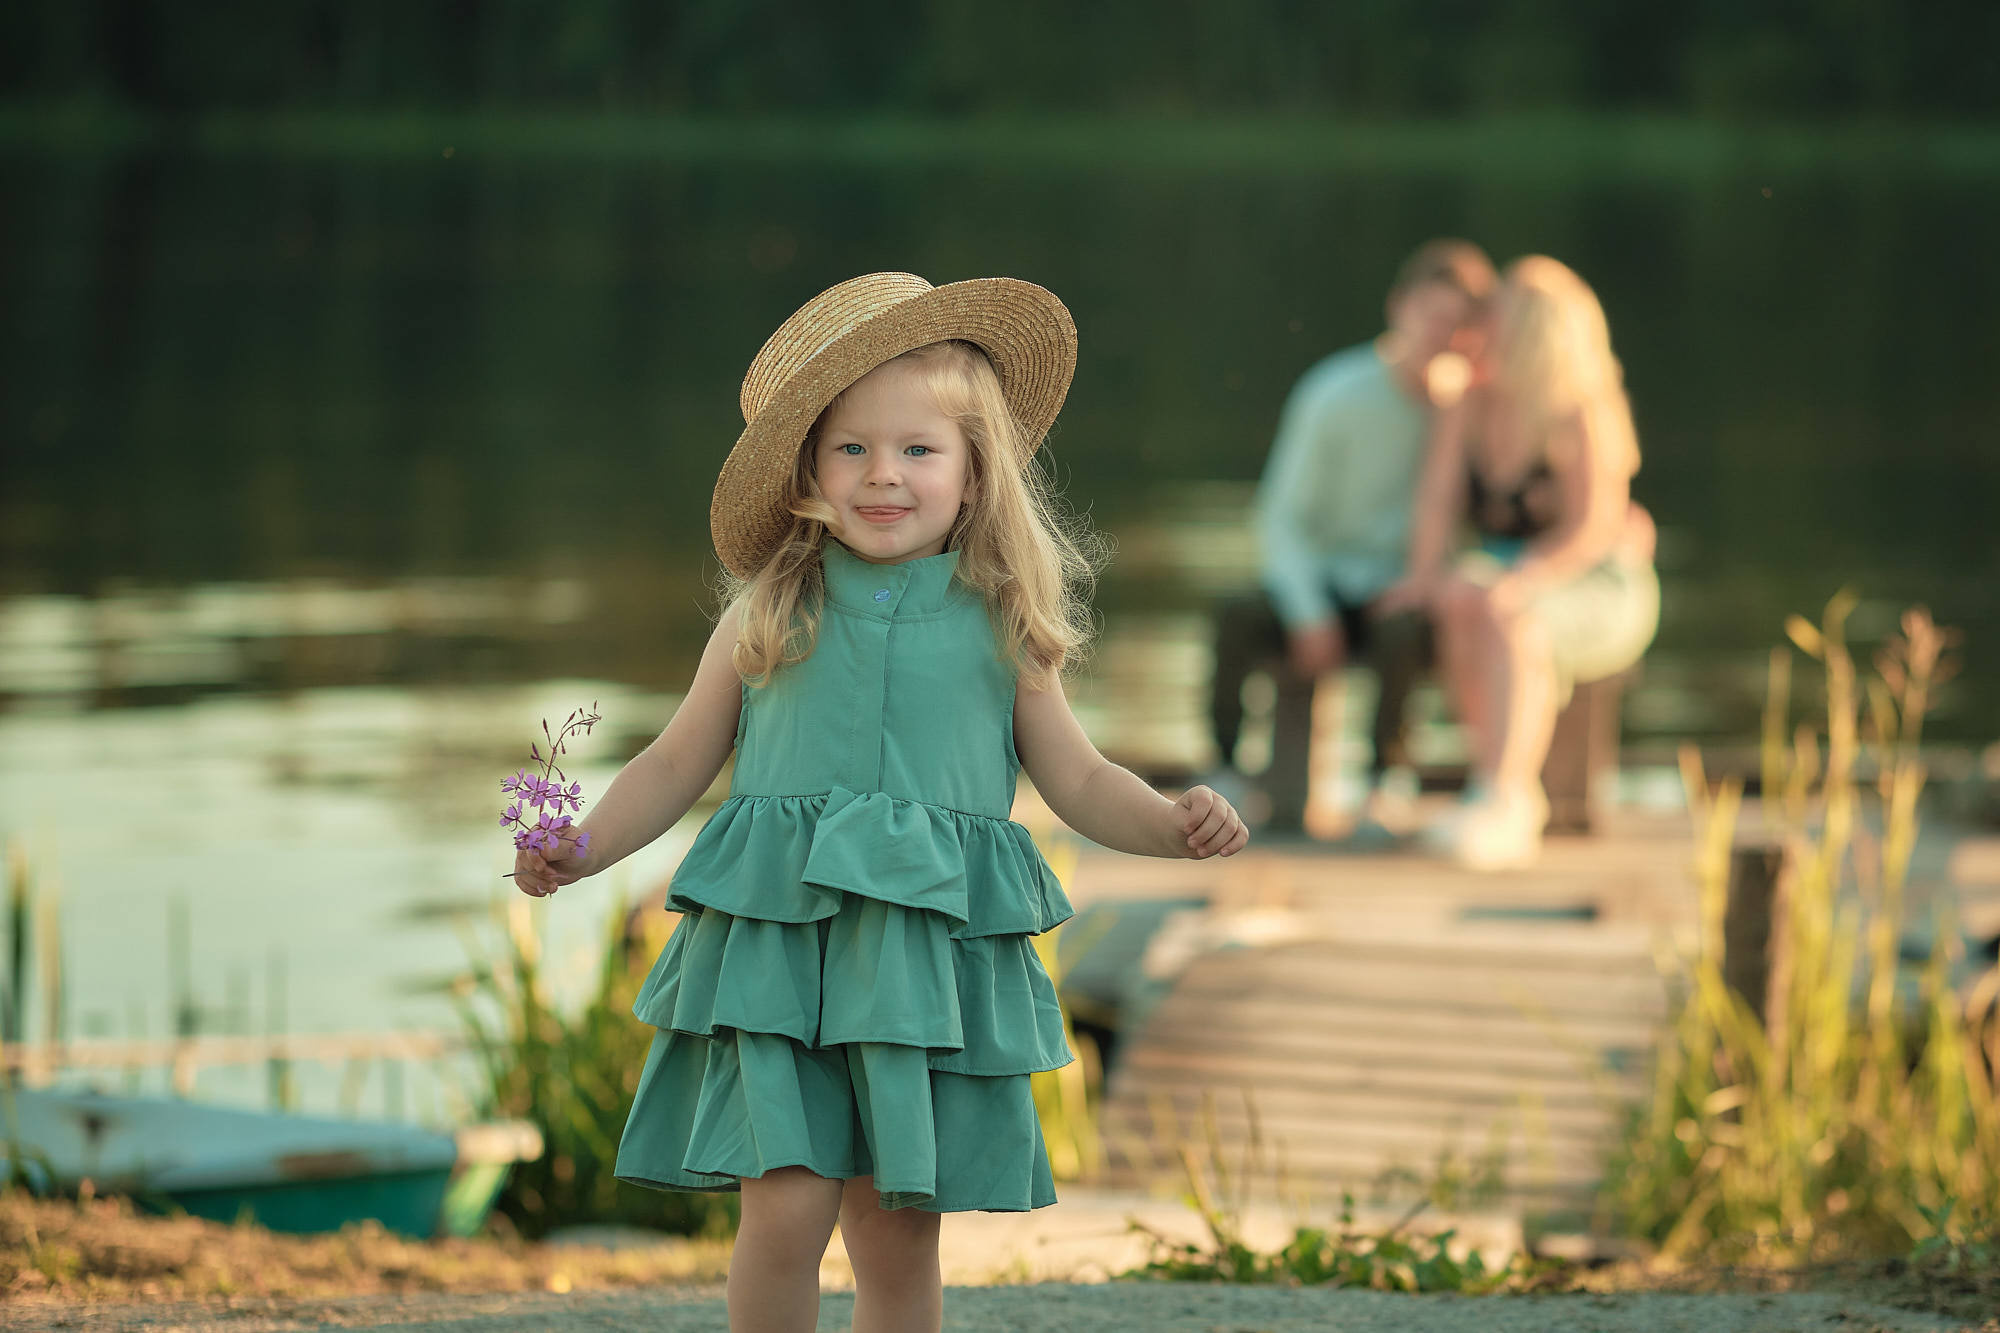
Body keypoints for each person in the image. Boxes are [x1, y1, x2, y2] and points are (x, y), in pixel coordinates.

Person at [509, 272, 1248, 1333]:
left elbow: (1081, 780)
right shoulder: (770, 608)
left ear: (972, 469)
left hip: (919, 970)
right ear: (808, 467)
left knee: (896, 1232)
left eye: (916, 450)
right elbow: (674, 763)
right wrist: (583, 845)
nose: (881, 476)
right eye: (849, 449)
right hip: (782, 961)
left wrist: (1172, 826)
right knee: (784, 1210)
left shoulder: (1003, 624)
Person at [1208, 239, 1496, 836]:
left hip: (1404, 590)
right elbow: (1282, 518)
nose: (1439, 334)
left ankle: (1382, 784)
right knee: (1235, 612)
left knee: (1404, 631)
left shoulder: (1471, 411)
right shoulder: (1335, 391)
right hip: (1324, 581)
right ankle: (1227, 771)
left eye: (1456, 322)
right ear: (1398, 308)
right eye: (1430, 314)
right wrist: (1309, 611)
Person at [1381, 255, 1660, 870]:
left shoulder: (1581, 410)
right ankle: (1494, 782)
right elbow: (1435, 498)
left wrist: (1521, 579)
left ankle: (1508, 797)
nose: (1486, 321)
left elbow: (1592, 530)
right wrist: (1424, 574)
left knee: (1509, 613)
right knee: (1460, 598)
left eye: (1500, 311)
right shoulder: (1470, 404)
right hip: (1508, 570)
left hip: (1593, 581)